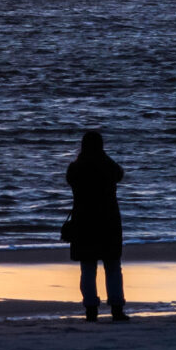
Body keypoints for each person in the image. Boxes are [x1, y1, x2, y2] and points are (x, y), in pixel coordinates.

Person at [63, 128, 128, 321]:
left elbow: (70, 179)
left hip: (84, 221)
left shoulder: (75, 167)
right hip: (108, 221)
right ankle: (117, 308)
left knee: (88, 268)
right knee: (113, 266)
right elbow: (119, 174)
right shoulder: (108, 166)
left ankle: (91, 309)